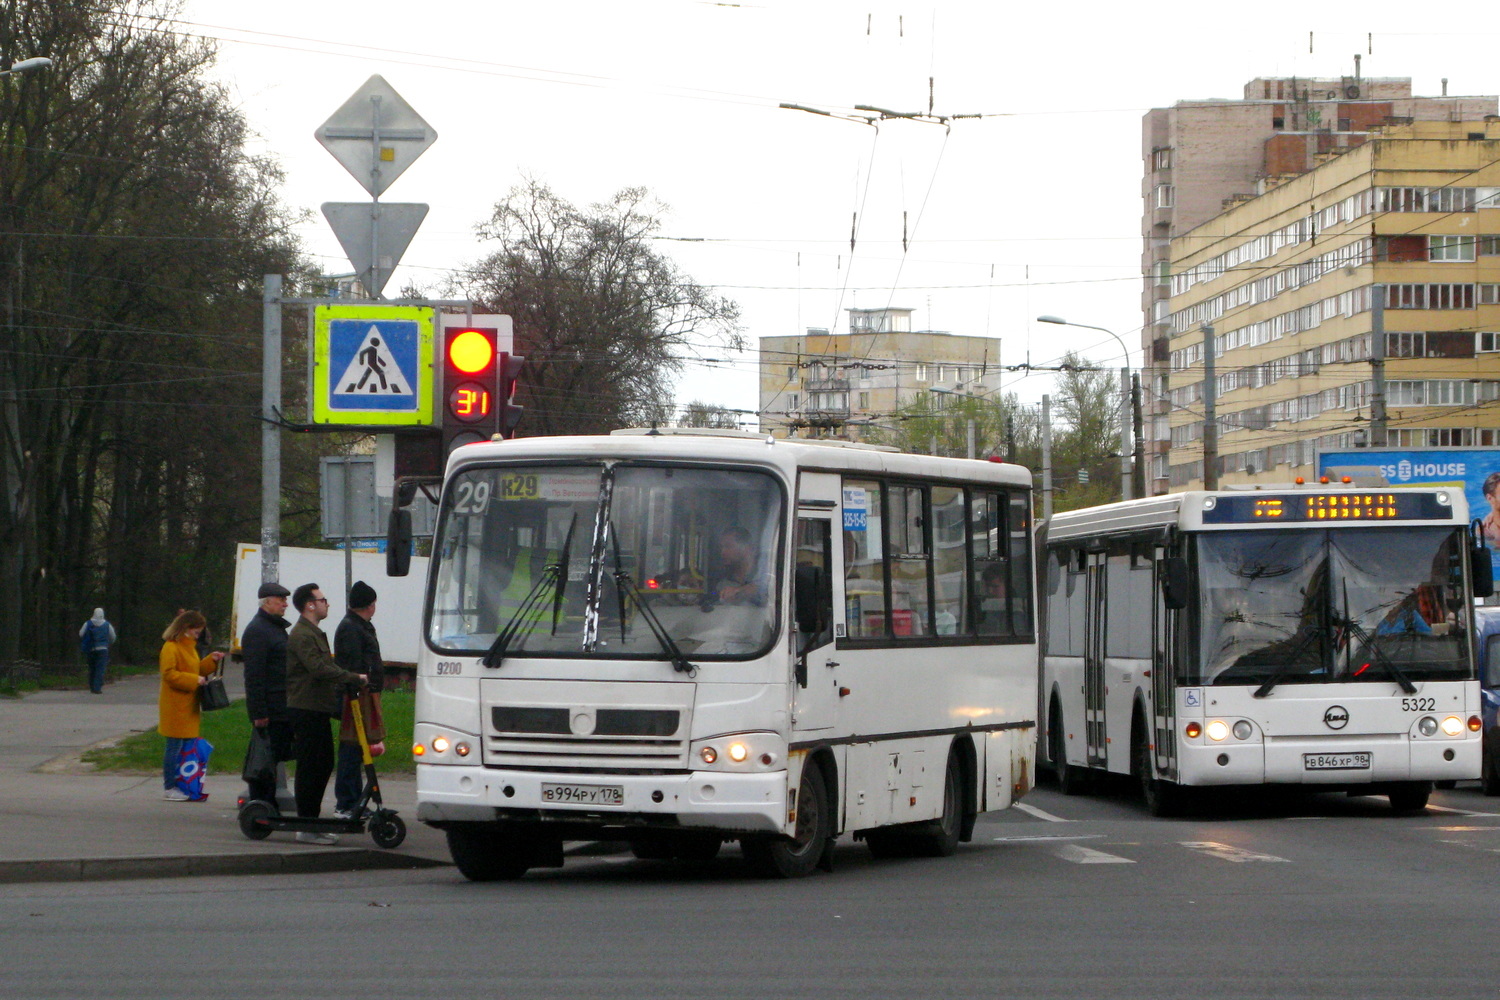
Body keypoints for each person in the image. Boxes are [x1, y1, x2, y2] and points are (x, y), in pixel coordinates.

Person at [285, 582, 366, 844]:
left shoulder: (314, 632)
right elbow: (319, 668)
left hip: (317, 708)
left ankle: (312, 823)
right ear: (310, 605)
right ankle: (307, 827)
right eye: (322, 600)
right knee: (312, 767)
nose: (326, 603)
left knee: (321, 765)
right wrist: (353, 677)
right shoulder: (302, 635)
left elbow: (324, 667)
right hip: (305, 708)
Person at [157, 610, 224, 801]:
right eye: (196, 632)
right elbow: (169, 674)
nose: (198, 636)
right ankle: (169, 787)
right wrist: (194, 679)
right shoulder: (171, 647)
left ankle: (182, 784)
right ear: (186, 628)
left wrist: (211, 661)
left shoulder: (189, 647)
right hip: (175, 705)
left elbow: (195, 670)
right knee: (173, 747)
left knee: (184, 747)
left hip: (187, 705)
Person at [333, 580, 385, 819]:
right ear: (370, 605)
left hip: (362, 693)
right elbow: (353, 664)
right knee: (351, 747)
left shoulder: (358, 626)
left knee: (357, 748)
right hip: (356, 695)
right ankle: (345, 802)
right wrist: (362, 683)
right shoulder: (352, 629)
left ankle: (354, 800)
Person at [241, 582, 293, 807]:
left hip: (281, 706)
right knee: (263, 761)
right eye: (281, 600)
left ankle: (267, 805)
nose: (285, 604)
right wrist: (259, 712)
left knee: (272, 759)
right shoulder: (258, 630)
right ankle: (260, 807)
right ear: (267, 602)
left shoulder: (273, 627)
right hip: (270, 709)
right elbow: (254, 676)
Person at [709, 526, 768, 607]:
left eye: (728, 546)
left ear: (747, 548)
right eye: (721, 547)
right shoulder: (723, 584)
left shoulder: (765, 572)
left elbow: (768, 590)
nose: (722, 552)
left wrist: (739, 592)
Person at [78, 608, 116, 694]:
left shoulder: (87, 623)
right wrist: (108, 642)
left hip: (91, 649)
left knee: (92, 668)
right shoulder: (107, 625)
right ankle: (97, 687)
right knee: (100, 668)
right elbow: (113, 636)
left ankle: (92, 686)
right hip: (103, 649)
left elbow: (81, 634)